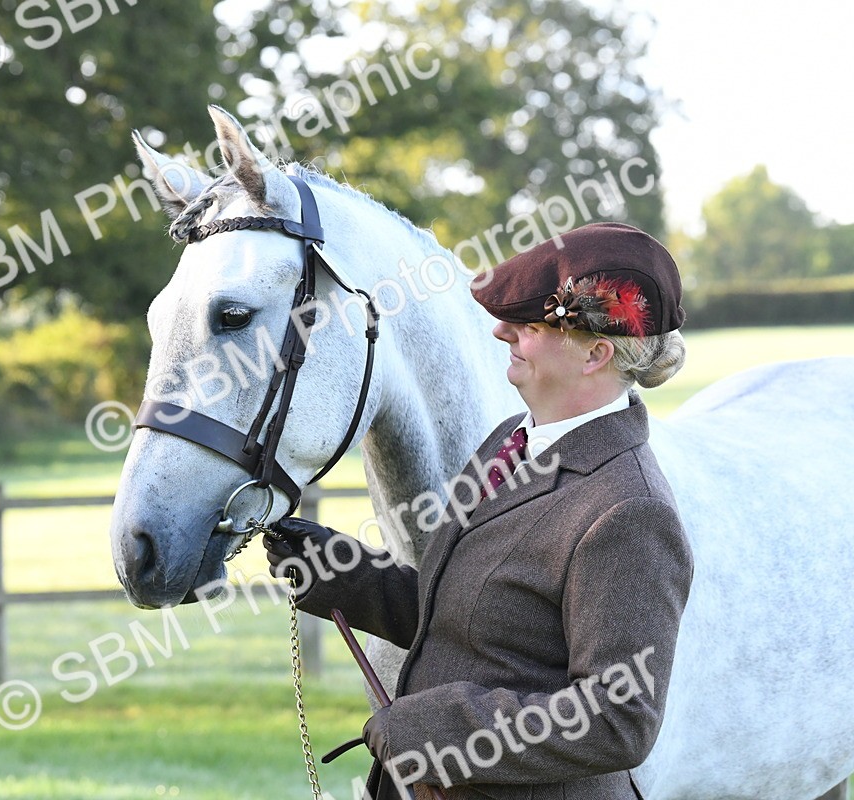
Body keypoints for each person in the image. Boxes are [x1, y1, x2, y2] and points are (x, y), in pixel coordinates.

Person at [265, 222, 694, 800]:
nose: (500, 331)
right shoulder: (509, 441)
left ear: (596, 354)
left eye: (532, 326)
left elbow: (619, 720)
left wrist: (436, 731)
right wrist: (346, 575)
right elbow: (472, 621)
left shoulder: (630, 511)